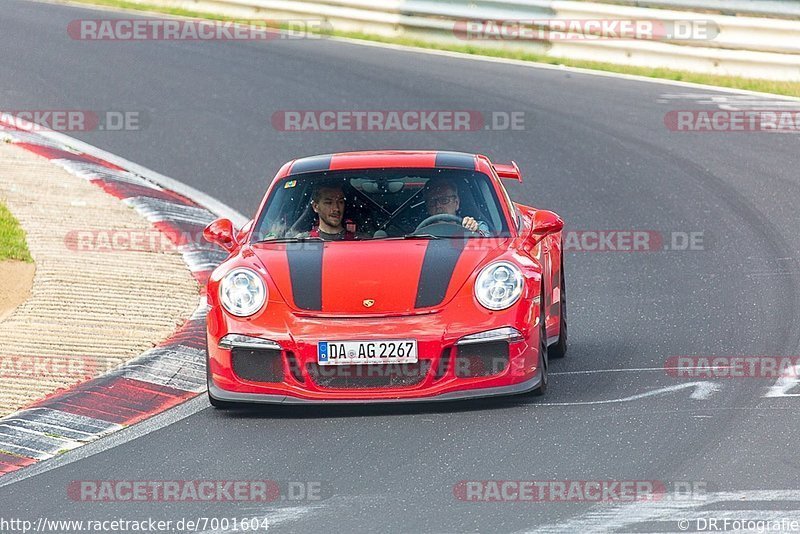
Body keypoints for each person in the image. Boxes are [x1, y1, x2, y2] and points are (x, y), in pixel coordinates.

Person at [422, 177, 489, 235]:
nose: (438, 205)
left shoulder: (474, 226)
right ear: (427, 207)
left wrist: (475, 231)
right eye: (432, 201)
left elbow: (487, 243)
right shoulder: (420, 233)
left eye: (444, 200)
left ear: (456, 203)